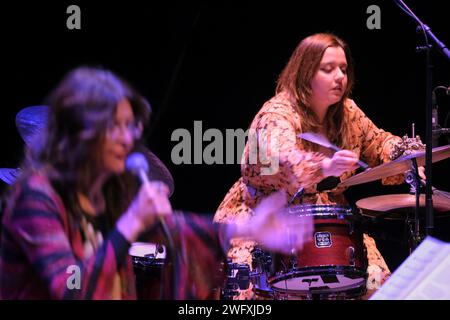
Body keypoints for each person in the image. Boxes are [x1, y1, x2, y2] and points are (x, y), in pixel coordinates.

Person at [0, 66, 313, 300]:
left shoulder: (99, 197)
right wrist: (131, 221)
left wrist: (247, 229)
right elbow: (70, 287)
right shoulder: (36, 199)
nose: (129, 139)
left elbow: (173, 228)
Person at [214, 33, 417, 299]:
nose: (339, 77)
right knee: (253, 287)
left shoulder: (348, 113)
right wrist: (324, 167)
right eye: (328, 69)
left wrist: (404, 156)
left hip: (330, 222)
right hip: (266, 220)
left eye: (343, 69)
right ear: (306, 72)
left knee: (377, 280)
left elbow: (378, 142)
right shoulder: (276, 113)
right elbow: (279, 157)